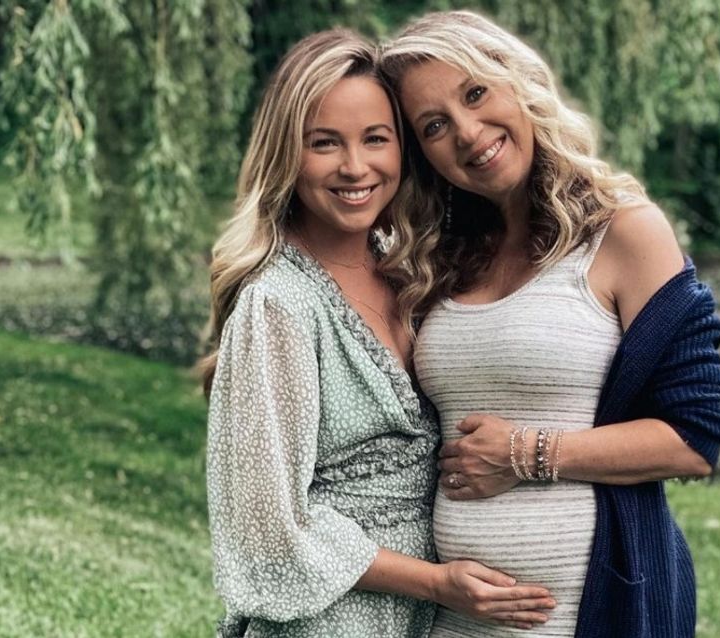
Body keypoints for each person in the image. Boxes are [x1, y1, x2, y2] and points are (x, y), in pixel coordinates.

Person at [379, 11, 720, 638]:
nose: (467, 133)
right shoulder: (441, 256)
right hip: (452, 617)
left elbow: (692, 437)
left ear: (519, 82)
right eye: (434, 125)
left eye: (475, 93)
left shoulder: (624, 232)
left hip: (592, 614)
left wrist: (524, 453)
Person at [199, 29, 557, 638]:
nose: (355, 167)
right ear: (287, 154)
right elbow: (263, 531)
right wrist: (436, 582)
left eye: (376, 139)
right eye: (324, 143)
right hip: (332, 623)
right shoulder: (279, 302)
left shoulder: (407, 270)